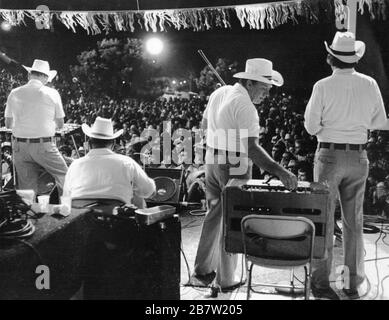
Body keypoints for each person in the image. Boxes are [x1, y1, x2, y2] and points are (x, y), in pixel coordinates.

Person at [190, 58, 298, 291]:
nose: (267, 94)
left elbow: (204, 122)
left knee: (213, 216)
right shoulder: (246, 107)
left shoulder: (220, 94)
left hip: (212, 158)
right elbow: (252, 149)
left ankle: (202, 268)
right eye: (264, 88)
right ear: (249, 83)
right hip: (236, 162)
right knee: (233, 219)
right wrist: (281, 172)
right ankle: (226, 279)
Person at [304, 31, 388, 299]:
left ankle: (321, 283)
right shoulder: (370, 83)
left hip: (328, 155)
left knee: (323, 220)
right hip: (358, 156)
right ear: (354, 59)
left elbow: (310, 126)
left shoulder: (322, 86)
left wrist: (329, 126)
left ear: (331, 58)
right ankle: (352, 283)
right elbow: (378, 122)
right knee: (353, 220)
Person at [4, 59, 68, 195]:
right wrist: (46, 125)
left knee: (27, 189)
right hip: (43, 146)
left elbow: (8, 124)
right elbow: (60, 124)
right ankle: (66, 209)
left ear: (29, 75)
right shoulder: (52, 93)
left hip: (19, 147)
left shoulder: (14, 93)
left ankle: (30, 213)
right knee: (65, 176)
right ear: (45, 77)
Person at [63, 117, 155, 205]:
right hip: (117, 218)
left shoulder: (75, 165)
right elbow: (149, 191)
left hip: (80, 219)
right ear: (113, 144)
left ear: (89, 144)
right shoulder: (127, 163)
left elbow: (66, 196)